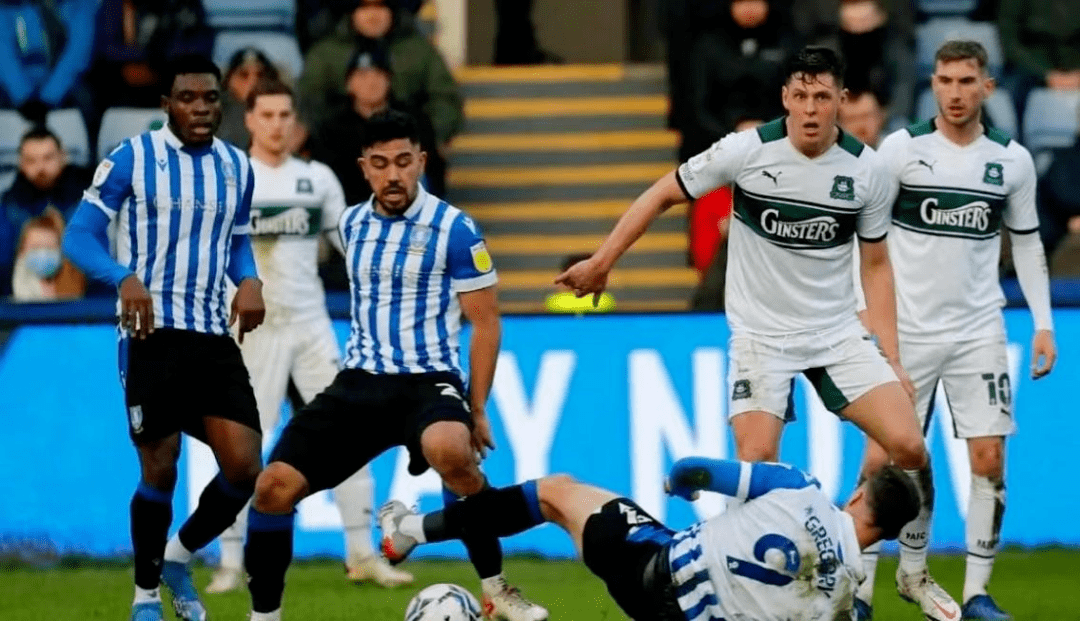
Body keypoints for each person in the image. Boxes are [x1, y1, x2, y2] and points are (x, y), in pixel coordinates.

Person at [555, 46, 962, 621]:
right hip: (761, 338)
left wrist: (890, 355)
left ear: (842, 100)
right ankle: (735, 598)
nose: (811, 109)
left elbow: (875, 265)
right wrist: (603, 261)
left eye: (822, 97)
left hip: (835, 332)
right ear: (784, 98)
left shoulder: (867, 172)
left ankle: (911, 574)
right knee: (755, 462)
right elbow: (664, 191)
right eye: (801, 96)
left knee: (909, 445)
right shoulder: (745, 151)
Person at [242, 110, 548, 621]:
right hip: (360, 382)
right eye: (380, 164)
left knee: (451, 451)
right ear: (364, 168)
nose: (393, 175)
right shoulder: (350, 225)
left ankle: (496, 590)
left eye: (403, 162)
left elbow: (486, 323)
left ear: (421, 162)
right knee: (273, 486)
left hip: (429, 380)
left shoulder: (455, 228)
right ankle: (264, 618)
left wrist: (476, 408)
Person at [857, 40, 1057, 621]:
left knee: (989, 459)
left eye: (967, 81)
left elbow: (1027, 244)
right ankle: (863, 593)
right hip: (907, 333)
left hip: (978, 331)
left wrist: (1043, 324)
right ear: (933, 84)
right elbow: (865, 237)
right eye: (945, 80)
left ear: (987, 87)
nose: (955, 92)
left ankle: (976, 595)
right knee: (884, 461)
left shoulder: (1011, 161)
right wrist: (863, 312)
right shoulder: (901, 150)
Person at [61, 54, 266, 621]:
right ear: (166, 104)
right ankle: (146, 596)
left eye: (210, 98)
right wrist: (123, 278)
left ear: (221, 103)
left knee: (245, 466)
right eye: (187, 98)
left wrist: (249, 280)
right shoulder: (132, 158)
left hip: (211, 334)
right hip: (149, 333)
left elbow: (236, 242)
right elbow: (78, 237)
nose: (200, 108)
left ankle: (178, 557)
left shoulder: (237, 167)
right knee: (161, 464)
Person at [203, 78, 413, 595]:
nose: (277, 125)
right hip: (253, 330)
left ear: (295, 122)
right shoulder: (230, 178)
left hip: (311, 325)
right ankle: (229, 562)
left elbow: (350, 245)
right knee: (241, 448)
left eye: (284, 115)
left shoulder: (316, 179)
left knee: (350, 436)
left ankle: (363, 554)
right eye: (267, 115)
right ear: (249, 120)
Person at [380, 457, 921, 621]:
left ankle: (410, 530)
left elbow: (695, 469)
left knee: (557, 492)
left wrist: (680, 485)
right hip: (674, 613)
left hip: (651, 566)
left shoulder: (801, 489)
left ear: (858, 494)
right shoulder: (843, 601)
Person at [297, 0, 463, 194]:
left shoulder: (419, 50)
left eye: (380, 6)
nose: (373, 15)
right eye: (365, 7)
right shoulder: (325, 53)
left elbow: (445, 99)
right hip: (342, 150)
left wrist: (433, 138)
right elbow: (308, 101)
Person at [0, 126, 90, 297]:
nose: (40, 167)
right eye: (31, 160)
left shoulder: (87, 202)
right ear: (21, 163)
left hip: (80, 301)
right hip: (20, 300)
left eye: (48, 158)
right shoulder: (9, 207)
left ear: (62, 157)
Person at [10, 211, 84, 301]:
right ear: (22, 252)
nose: (43, 254)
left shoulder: (71, 280)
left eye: (49, 248)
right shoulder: (22, 280)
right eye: (35, 248)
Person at [217, 48, 281, 149]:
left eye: (261, 75)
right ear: (229, 81)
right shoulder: (214, 117)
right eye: (244, 75)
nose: (253, 82)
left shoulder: (285, 115)